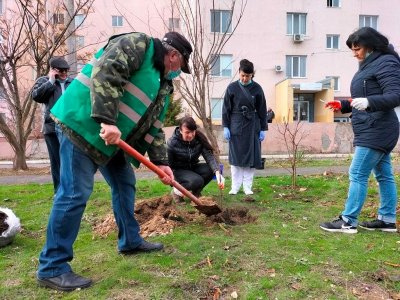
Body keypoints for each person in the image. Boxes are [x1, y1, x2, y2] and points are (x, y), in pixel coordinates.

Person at [36, 31, 193, 291]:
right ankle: (52, 266)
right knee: (74, 193)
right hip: (83, 125)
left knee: (124, 184)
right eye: (180, 67)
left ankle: (130, 240)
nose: (178, 72)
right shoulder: (138, 44)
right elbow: (107, 73)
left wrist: (162, 162)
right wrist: (108, 121)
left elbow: (153, 126)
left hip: (111, 140)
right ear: (173, 55)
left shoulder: (163, 84)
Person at [320, 27, 400, 234]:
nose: (354, 53)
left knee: (357, 173)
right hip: (371, 126)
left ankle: (348, 220)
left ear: (370, 45)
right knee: (384, 175)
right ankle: (387, 220)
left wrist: (369, 102)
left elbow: (396, 95)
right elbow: (365, 94)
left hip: (378, 128)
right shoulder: (369, 64)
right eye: (352, 50)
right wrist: (344, 106)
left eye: (357, 49)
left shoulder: (386, 62)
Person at [222, 59, 267, 195]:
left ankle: (247, 187)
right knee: (236, 159)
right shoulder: (232, 88)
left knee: (251, 159)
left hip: (253, 126)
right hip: (236, 125)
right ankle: (235, 187)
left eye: (248, 76)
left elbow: (262, 110)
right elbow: (225, 109)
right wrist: (226, 126)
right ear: (239, 73)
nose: (245, 78)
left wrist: (263, 129)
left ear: (252, 75)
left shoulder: (257, 89)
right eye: (242, 75)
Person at [31, 57, 73, 193]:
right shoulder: (43, 82)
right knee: (57, 162)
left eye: (66, 71)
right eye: (61, 71)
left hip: (71, 128)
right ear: (53, 70)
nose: (64, 74)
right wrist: (51, 81)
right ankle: (59, 192)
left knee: (71, 160)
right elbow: (37, 96)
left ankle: (71, 190)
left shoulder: (72, 83)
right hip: (52, 129)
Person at [167, 116, 224, 202]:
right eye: (187, 132)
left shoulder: (199, 139)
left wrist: (217, 172)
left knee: (211, 170)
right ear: (180, 131)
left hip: (193, 167)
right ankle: (176, 193)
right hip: (178, 171)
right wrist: (174, 182)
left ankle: (196, 193)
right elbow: (169, 165)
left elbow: (209, 156)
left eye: (193, 131)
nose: (190, 135)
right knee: (197, 181)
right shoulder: (172, 143)